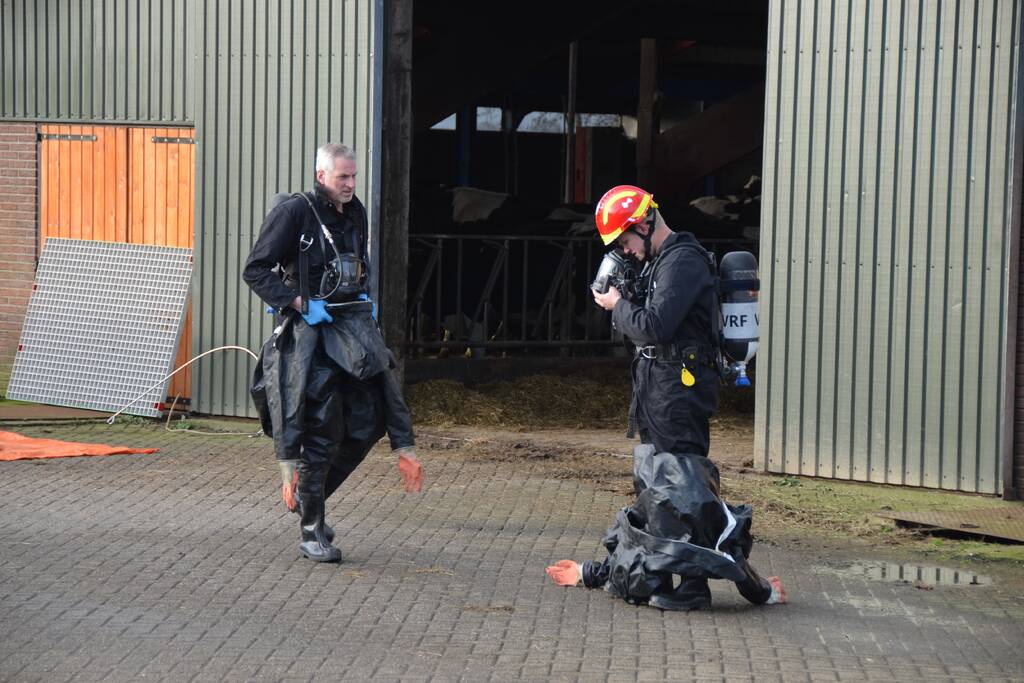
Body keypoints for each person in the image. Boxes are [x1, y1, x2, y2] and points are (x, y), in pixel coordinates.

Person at [545, 184, 785, 610]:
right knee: (661, 490)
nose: (626, 250)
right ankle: (650, 576)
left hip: (681, 389)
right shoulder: (658, 264)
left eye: (625, 240)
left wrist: (618, 305)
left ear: (643, 223)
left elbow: (656, 324)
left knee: (688, 492)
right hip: (658, 387)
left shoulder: (684, 261)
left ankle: (702, 588)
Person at [244, 143, 422, 563]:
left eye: (354, 176)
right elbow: (255, 269)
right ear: (322, 175)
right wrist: (297, 302)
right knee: (322, 431)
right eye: (343, 177)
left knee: (366, 423)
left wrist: (363, 297)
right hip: (311, 333)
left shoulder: (355, 211)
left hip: (351, 326)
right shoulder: (295, 212)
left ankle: (311, 498)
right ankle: (311, 531)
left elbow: (359, 263)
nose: (351, 184)